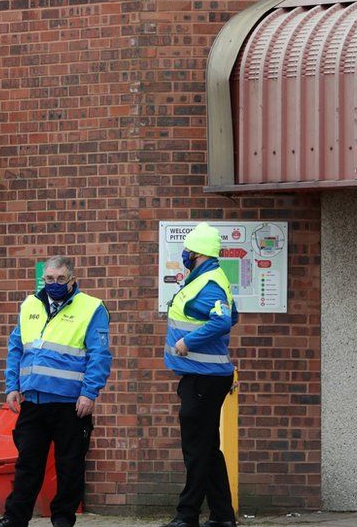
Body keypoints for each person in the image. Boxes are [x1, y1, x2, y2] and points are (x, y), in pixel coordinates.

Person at [0, 255, 112, 527]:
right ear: (42, 278)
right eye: (49, 279)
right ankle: (14, 519)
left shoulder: (92, 308)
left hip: (71, 403)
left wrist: (89, 392)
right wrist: (12, 386)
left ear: (72, 279)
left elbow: (100, 355)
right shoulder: (30, 305)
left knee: (69, 466)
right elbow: (16, 348)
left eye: (60, 279)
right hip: (33, 401)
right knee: (27, 466)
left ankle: (62, 520)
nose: (54, 284)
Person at [161, 223, 239, 527]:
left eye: (188, 250)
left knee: (196, 448)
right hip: (201, 377)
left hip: (204, 378)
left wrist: (187, 342)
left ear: (195, 253)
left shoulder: (208, 283)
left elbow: (222, 321)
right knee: (205, 447)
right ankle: (222, 516)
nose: (184, 254)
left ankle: (187, 514)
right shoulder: (208, 280)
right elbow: (233, 314)